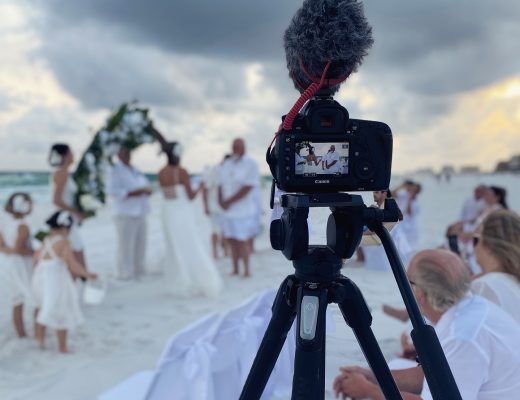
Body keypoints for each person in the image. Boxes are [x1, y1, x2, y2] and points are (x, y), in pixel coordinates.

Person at [333, 249, 520, 399]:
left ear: (420, 293)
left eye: (409, 283)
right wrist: (374, 376)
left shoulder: (462, 336)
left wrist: (369, 391)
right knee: (395, 366)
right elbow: (433, 375)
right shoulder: (472, 307)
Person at [158, 142, 222, 298]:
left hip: (167, 213)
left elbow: (167, 194)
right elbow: (190, 196)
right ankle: (194, 279)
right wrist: (201, 186)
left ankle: (178, 279)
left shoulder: (161, 173)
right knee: (190, 243)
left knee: (174, 246)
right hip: (181, 213)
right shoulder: (181, 172)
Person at [32, 210, 97, 353]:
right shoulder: (64, 242)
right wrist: (87, 274)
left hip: (41, 277)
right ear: (65, 227)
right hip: (56, 279)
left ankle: (39, 339)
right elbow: (72, 264)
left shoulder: (46, 239)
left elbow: (35, 259)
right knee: (62, 309)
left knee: (44, 307)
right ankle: (62, 346)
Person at [106, 146, 152, 281]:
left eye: (128, 152)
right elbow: (112, 191)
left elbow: (145, 184)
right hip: (125, 212)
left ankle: (139, 270)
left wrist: (146, 190)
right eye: (124, 153)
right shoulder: (114, 170)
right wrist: (133, 193)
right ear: (118, 155)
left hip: (141, 210)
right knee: (125, 246)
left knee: (140, 243)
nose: (127, 155)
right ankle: (124, 273)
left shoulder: (135, 169)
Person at [219, 138, 260, 277]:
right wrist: (221, 201)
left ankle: (246, 270)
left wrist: (229, 201)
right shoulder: (227, 163)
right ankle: (235, 269)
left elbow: (248, 187)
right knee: (231, 240)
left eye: (237, 146)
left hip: (243, 211)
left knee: (241, 240)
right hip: (228, 210)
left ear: (244, 147)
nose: (234, 149)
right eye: (233, 146)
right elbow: (221, 183)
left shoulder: (251, 163)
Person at [472, 209, 520, 323]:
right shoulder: (514, 284)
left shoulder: (483, 287)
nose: (474, 247)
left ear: (488, 245)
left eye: (475, 240)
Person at [48, 143, 88, 273]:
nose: (73, 156)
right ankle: (83, 278)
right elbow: (56, 200)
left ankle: (80, 278)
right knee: (76, 249)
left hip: (68, 216)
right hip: (64, 218)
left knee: (73, 249)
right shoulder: (62, 173)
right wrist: (76, 212)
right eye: (71, 153)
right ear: (64, 155)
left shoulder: (65, 173)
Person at [0, 193, 34, 337]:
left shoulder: (5, 223)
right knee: (32, 296)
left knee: (17, 299)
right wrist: (36, 252)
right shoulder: (22, 225)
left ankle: (21, 333)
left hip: (7, 263)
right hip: (21, 264)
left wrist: (10, 250)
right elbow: (19, 249)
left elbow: (2, 246)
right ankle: (34, 332)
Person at [360, 189, 411, 271]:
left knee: (354, 240)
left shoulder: (388, 209)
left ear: (384, 193)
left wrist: (361, 234)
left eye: (376, 192)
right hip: (379, 238)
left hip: (379, 239)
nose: (374, 194)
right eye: (373, 192)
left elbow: (376, 229)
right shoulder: (378, 207)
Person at [202, 155, 229, 259]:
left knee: (225, 230)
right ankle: (215, 252)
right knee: (215, 230)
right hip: (214, 206)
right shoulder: (214, 170)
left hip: (225, 206)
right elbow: (205, 189)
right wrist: (205, 206)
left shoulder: (227, 171)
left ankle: (226, 251)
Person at [393, 180, 421, 250]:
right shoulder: (403, 195)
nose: (411, 191)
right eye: (411, 188)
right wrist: (401, 186)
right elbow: (391, 194)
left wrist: (409, 199)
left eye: (414, 190)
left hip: (409, 228)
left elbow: (409, 212)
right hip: (400, 225)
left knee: (408, 247)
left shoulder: (416, 203)